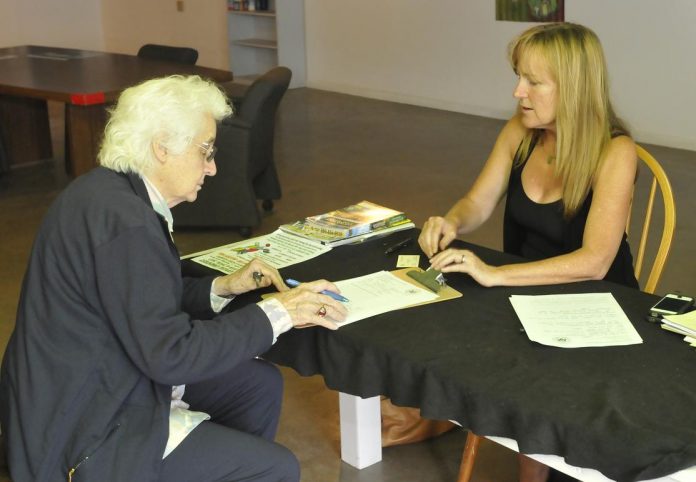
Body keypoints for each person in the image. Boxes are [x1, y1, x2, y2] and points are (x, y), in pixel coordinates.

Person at [0, 75, 347, 482]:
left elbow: (138, 298)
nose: (213, 167)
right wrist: (279, 311)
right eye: (205, 151)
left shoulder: (104, 192)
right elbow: (171, 355)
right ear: (162, 147)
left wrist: (221, 288)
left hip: (85, 386)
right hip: (80, 432)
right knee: (278, 467)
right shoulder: (127, 225)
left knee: (258, 384)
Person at [419, 23, 638, 482]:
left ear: (574, 88)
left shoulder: (615, 151)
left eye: (533, 82)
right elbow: (478, 201)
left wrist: (495, 276)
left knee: (531, 366)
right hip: (525, 291)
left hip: (598, 307)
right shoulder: (521, 131)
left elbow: (595, 260)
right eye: (519, 77)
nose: (518, 92)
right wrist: (452, 221)